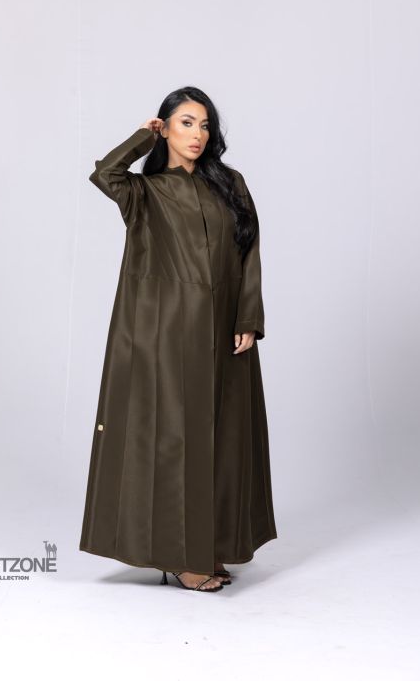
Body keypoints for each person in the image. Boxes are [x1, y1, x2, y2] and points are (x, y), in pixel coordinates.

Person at [79, 86, 278, 592]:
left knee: (224, 438)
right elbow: (105, 174)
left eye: (204, 125)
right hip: (166, 335)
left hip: (225, 331)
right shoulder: (144, 194)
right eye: (186, 122)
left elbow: (249, 252)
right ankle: (182, 557)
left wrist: (249, 317)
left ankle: (212, 546)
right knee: (175, 440)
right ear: (165, 128)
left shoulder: (230, 184)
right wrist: (141, 138)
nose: (198, 134)